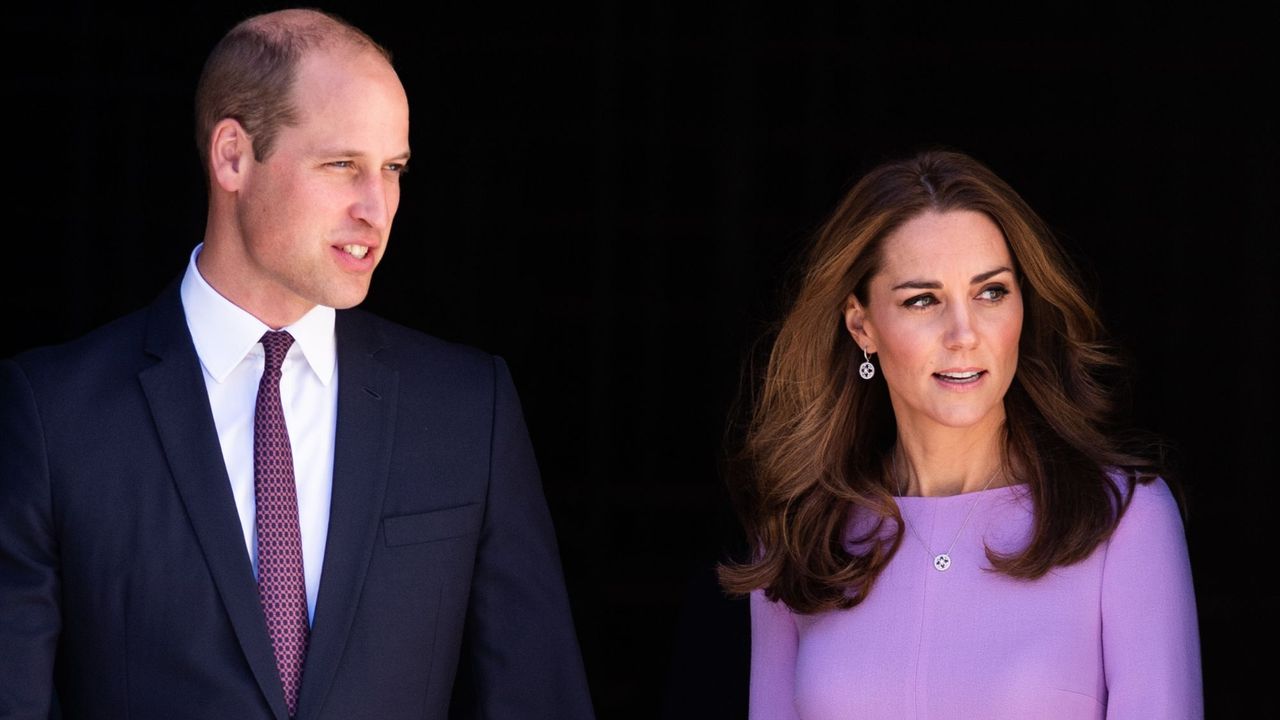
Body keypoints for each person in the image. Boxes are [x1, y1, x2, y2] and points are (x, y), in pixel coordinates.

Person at [0, 9, 593, 720]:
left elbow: (537, 698)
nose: (378, 207)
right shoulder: (53, 414)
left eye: (394, 168)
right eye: (342, 164)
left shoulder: (468, 410)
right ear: (232, 157)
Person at [719, 150, 1202, 719]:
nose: (964, 333)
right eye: (923, 300)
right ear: (861, 325)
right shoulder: (801, 539)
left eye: (991, 292)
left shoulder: (1121, 519)